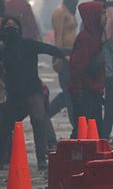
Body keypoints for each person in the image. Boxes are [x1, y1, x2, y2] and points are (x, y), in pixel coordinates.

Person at [0, 17, 68, 170]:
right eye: (7, 26)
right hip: (14, 96)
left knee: (38, 122)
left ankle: (41, 159)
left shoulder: (28, 44)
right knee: (4, 126)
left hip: (33, 92)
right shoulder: (3, 49)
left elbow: (48, 49)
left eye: (14, 25)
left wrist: (63, 55)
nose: (11, 28)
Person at [69, 1, 106, 137]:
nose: (105, 17)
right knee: (82, 132)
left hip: (93, 91)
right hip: (84, 93)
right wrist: (78, 91)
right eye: (102, 14)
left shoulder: (97, 36)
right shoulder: (86, 39)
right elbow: (77, 68)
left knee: (95, 130)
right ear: (93, 16)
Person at [48, 0, 81, 127]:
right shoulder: (60, 12)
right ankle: (74, 123)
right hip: (65, 53)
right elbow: (58, 36)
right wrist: (59, 57)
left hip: (72, 53)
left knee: (69, 90)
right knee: (68, 91)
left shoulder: (71, 11)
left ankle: (45, 113)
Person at [92, 0, 113, 141]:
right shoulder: (112, 16)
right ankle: (105, 136)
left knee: (102, 105)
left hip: (96, 69)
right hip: (111, 70)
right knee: (111, 106)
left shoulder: (90, 19)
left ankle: (103, 135)